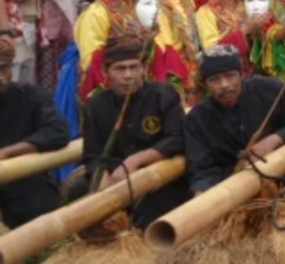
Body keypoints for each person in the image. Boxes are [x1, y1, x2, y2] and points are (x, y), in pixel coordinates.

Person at [68, 33, 190, 228]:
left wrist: (135, 161)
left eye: (134, 67)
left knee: (149, 215)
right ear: (105, 71)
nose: (128, 75)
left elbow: (177, 139)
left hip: (158, 174)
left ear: (143, 68)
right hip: (114, 176)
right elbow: (92, 154)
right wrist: (101, 177)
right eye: (120, 69)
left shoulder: (162, 94)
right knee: (77, 193)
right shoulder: (95, 105)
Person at [184, 44, 285, 194]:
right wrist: (201, 196)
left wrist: (274, 139)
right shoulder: (198, 118)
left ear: (241, 75)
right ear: (205, 84)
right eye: (215, 79)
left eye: (230, 76)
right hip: (234, 193)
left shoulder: (269, 90)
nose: (224, 85)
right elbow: (201, 170)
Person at [0, 28, 71, 228]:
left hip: (22, 180)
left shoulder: (30, 95)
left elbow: (57, 132)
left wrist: (7, 153)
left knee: (38, 209)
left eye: (2, 69)